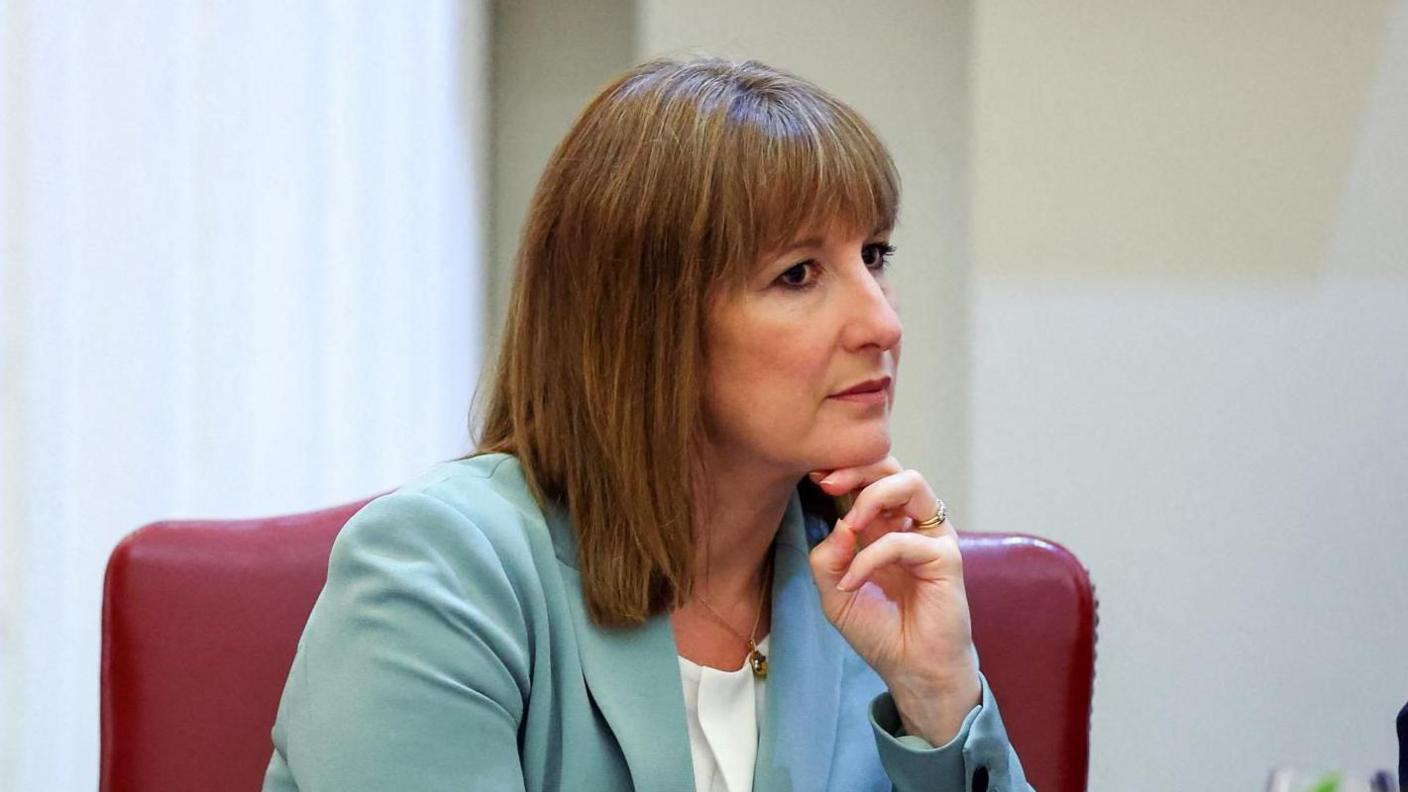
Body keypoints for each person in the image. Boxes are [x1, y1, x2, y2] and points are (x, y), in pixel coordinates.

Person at [263, 57, 1029, 792]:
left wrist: (937, 695)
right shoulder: (441, 570)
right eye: (798, 274)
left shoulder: (871, 587)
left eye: (875, 254)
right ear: (644, 322)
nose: (882, 322)